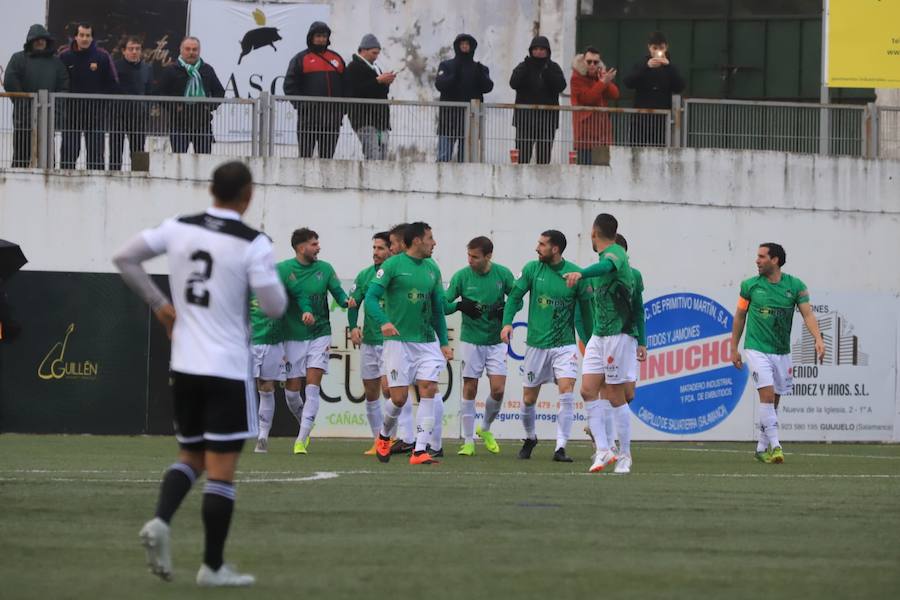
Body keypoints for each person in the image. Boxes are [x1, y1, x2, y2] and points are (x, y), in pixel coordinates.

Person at [112, 161, 287, 586]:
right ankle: (212, 567)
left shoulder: (178, 226)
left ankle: (160, 520)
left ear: (211, 190)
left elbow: (125, 258)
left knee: (190, 457)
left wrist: (160, 305)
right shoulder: (253, 242)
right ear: (248, 195)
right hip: (226, 368)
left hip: (185, 364)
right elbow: (274, 306)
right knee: (221, 470)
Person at [365, 222, 453, 465]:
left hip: (426, 342)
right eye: (430, 238)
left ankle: (420, 450)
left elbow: (437, 310)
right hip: (398, 343)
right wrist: (383, 321)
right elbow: (370, 298)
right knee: (399, 398)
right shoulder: (392, 265)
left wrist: (443, 342)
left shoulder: (433, 269)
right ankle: (384, 436)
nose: (434, 243)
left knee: (428, 389)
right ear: (417, 241)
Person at [500, 230, 591, 462]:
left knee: (567, 392)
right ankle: (530, 437)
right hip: (536, 346)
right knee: (529, 399)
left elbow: (585, 314)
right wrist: (507, 323)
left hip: (565, 346)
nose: (537, 248)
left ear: (555, 249)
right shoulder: (532, 269)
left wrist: (590, 342)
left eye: (541, 244)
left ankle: (560, 447)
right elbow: (514, 296)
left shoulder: (575, 275)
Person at [731, 243, 824, 464]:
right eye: (757, 256)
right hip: (756, 348)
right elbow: (739, 317)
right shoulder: (750, 286)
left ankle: (761, 448)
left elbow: (808, 315)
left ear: (775, 260)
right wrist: (733, 348)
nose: (757, 260)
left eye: (762, 257)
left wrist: (818, 339)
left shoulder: (796, 286)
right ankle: (776, 446)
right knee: (767, 395)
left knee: (774, 401)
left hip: (781, 352)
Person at [564, 215, 637, 474]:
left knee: (617, 394)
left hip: (617, 334)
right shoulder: (600, 263)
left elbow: (606, 267)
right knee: (587, 390)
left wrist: (581, 273)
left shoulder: (616, 254)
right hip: (599, 335)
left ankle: (625, 455)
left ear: (594, 233)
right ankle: (604, 450)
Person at [278, 228, 354, 454]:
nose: (318, 247)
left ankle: (301, 440)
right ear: (301, 248)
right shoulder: (282, 270)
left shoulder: (325, 269)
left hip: (320, 333)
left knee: (312, 387)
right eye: (314, 244)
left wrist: (346, 301)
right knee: (292, 393)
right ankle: (306, 424)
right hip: (292, 335)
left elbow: (338, 293)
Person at [444, 236, 515, 455]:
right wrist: (459, 306)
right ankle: (468, 441)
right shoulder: (461, 277)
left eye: (475, 257)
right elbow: (444, 306)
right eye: (469, 255)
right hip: (471, 340)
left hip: (495, 341)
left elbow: (517, 298)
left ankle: (484, 428)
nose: (470, 260)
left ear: (488, 256)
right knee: (470, 387)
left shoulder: (503, 274)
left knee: (498, 389)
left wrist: (505, 311)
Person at [584, 233, 646, 454]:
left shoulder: (634, 276)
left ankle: (608, 439)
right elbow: (593, 309)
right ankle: (607, 445)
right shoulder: (595, 276)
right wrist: (591, 338)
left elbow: (638, 309)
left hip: (626, 338)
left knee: (626, 395)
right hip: (603, 337)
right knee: (602, 390)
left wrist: (642, 341)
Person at [348, 232, 392, 454]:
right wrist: (354, 326)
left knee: (389, 390)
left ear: (391, 250)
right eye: (374, 248)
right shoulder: (365, 275)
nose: (375, 253)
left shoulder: (395, 274)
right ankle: (378, 441)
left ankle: (392, 438)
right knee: (371, 390)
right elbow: (353, 303)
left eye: (380, 248)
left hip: (391, 342)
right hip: (370, 341)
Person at [2, 24, 68, 168]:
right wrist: (23, 103)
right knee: (21, 155)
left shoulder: (56, 63)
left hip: (47, 117)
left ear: (47, 41)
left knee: (48, 158)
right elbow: (10, 81)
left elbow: (63, 87)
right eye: (36, 39)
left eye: (43, 39)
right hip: (23, 117)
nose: (40, 42)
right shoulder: (18, 58)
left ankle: (49, 185)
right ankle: (18, 186)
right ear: (30, 41)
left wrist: (55, 110)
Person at [57, 23, 119, 170]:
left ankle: (96, 189)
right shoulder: (64, 56)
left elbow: (113, 83)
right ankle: (66, 187)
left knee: (96, 158)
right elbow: (58, 82)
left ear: (92, 37)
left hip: (96, 117)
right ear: (75, 37)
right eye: (82, 35)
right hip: (71, 116)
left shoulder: (102, 57)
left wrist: (101, 104)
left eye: (88, 35)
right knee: (68, 155)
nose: (85, 39)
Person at [283, 22, 346, 159]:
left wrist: (343, 109)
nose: (321, 39)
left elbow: (347, 86)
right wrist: (302, 105)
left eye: (324, 36)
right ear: (311, 37)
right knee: (305, 158)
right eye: (318, 36)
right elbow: (289, 85)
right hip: (308, 120)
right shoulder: (300, 59)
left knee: (327, 159)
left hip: (332, 120)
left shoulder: (337, 58)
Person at [155, 37, 225, 154]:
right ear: (181, 50)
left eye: (194, 49)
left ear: (199, 51)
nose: (191, 52)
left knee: (204, 160)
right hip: (178, 124)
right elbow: (159, 93)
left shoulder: (207, 69)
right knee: (179, 160)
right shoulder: (171, 70)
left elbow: (219, 92)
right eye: (188, 49)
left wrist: (210, 106)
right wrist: (174, 108)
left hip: (203, 123)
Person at [435, 33, 493, 162]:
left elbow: (488, 87)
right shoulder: (446, 66)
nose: (465, 46)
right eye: (462, 44)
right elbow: (439, 84)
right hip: (448, 120)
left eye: (467, 44)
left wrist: (480, 75)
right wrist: (454, 75)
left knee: (466, 160)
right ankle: (441, 181)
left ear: (472, 47)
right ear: (457, 46)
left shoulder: (480, 68)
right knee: (443, 158)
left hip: (470, 120)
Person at [509, 36, 566, 165]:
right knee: (522, 159)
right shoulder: (523, 66)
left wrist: (547, 73)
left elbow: (561, 86)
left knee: (544, 160)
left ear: (547, 51)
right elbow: (513, 83)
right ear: (531, 50)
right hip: (525, 122)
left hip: (547, 122)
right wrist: (524, 68)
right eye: (535, 49)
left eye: (542, 49)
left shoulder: (553, 67)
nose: (539, 52)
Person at [623, 31, 685, 146]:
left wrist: (668, 66)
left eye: (661, 48)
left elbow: (680, 86)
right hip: (640, 120)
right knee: (637, 151)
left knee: (659, 151)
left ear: (666, 47)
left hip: (661, 120)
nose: (658, 52)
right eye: (654, 48)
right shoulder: (641, 64)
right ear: (649, 48)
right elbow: (628, 82)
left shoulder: (670, 67)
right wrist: (646, 67)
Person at [345, 34, 395, 160]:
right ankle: (370, 179)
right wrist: (378, 80)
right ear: (363, 50)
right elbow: (355, 91)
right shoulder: (353, 67)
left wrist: (385, 82)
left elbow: (379, 92)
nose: (376, 56)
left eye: (378, 53)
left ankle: (379, 180)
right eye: (374, 53)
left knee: (382, 156)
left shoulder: (376, 68)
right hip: (365, 120)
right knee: (372, 155)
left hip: (381, 122)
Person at [249, 290, 287, 454]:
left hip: (271, 343)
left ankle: (262, 437)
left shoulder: (278, 287)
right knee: (233, 385)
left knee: (265, 386)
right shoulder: (242, 285)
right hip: (247, 343)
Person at [570, 47, 619, 165]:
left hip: (603, 136)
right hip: (585, 137)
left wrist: (605, 81)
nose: (592, 65)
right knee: (585, 173)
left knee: (603, 172)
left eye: (595, 62)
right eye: (589, 62)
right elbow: (588, 98)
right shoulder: (576, 78)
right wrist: (603, 82)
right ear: (583, 61)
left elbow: (615, 94)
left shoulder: (599, 77)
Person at [110, 36, 152, 170]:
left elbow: (150, 91)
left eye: (137, 49)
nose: (134, 52)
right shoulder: (115, 67)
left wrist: (147, 108)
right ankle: (114, 175)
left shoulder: (147, 68)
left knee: (138, 150)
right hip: (117, 115)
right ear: (123, 50)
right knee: (116, 149)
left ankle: (140, 176)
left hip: (139, 115)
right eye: (131, 49)